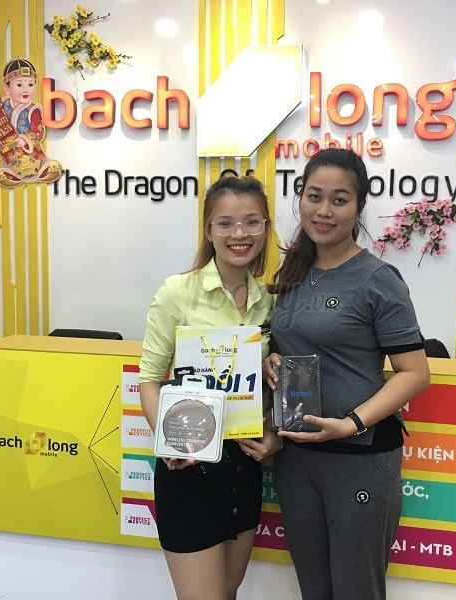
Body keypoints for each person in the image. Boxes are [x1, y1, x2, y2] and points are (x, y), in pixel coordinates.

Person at [263, 148, 431, 600]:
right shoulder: (293, 271)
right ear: (300, 198)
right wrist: (271, 357)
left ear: (358, 207)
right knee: (314, 588)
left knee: (357, 589)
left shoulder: (378, 278)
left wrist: (351, 423)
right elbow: (291, 341)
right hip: (297, 455)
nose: (324, 210)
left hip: (359, 457)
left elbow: (415, 373)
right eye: (314, 196)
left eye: (339, 200)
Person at [138, 175, 282, 600]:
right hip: (191, 469)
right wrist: (170, 443)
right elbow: (149, 378)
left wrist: (274, 434)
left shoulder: (269, 301)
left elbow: (273, 381)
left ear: (265, 228)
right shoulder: (177, 292)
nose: (240, 233)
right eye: (226, 223)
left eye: (252, 221)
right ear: (209, 230)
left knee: (229, 591)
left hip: (243, 468)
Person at [0, 57, 61, 187]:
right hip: (10, 151)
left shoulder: (33, 109)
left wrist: (24, 139)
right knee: (9, 167)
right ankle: (10, 174)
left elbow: (38, 131)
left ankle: (43, 171)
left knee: (41, 165)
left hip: (30, 151)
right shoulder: (2, 105)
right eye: (19, 85)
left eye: (30, 85)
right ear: (7, 88)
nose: (26, 90)